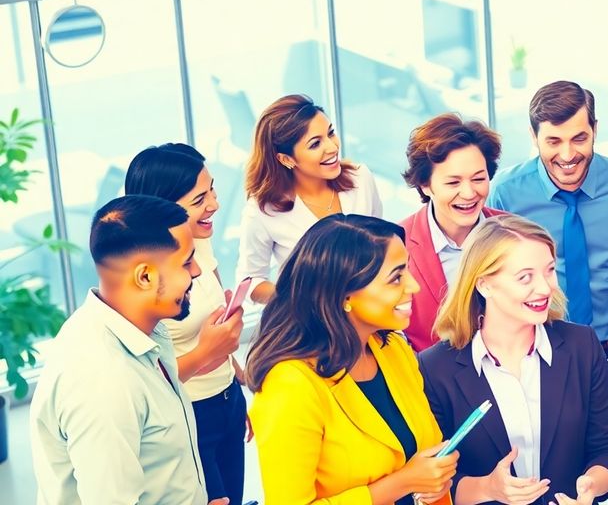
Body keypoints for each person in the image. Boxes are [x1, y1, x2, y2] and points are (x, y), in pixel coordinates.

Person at [30, 195, 241, 504]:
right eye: (186, 262)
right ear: (145, 277)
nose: (196, 271)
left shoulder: (142, 327)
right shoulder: (104, 383)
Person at [246, 214, 456, 504]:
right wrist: (401, 483)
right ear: (344, 294)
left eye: (407, 270)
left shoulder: (393, 348)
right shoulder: (290, 386)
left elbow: (428, 451)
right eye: (396, 277)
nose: (414, 287)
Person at [419, 215, 608, 505]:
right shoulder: (434, 368)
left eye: (550, 271)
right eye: (525, 277)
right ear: (484, 284)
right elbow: (428, 484)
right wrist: (488, 488)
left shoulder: (583, 345)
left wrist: (591, 485)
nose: (545, 288)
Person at [487, 80, 608, 397]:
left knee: (603, 442)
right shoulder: (506, 192)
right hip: (534, 348)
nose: (567, 154)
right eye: (553, 141)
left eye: (579, 138)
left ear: (595, 130)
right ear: (534, 137)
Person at [124, 143, 249, 505]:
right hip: (188, 416)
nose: (214, 205)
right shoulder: (142, 279)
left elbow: (214, 316)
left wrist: (233, 379)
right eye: (199, 200)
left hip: (225, 400)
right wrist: (209, 350)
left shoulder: (198, 244)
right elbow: (143, 383)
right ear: (163, 208)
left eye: (212, 191)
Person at [237, 94, 383, 304]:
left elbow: (382, 244)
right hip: (312, 323)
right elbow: (250, 281)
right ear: (286, 159)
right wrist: (299, 298)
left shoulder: (361, 179)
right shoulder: (263, 210)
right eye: (315, 144)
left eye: (330, 133)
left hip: (371, 310)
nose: (332, 148)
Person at [399, 113, 504, 351]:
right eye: (453, 183)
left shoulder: (514, 234)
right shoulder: (397, 245)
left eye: (478, 178)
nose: (468, 193)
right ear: (425, 184)